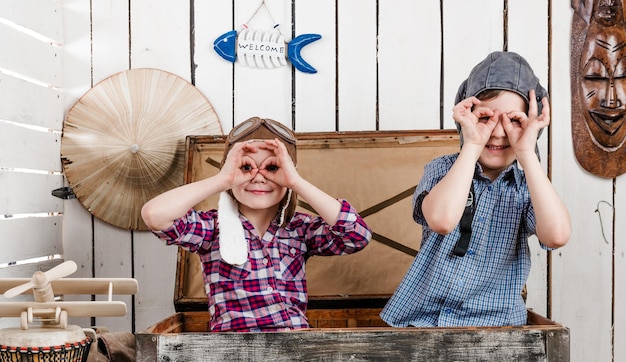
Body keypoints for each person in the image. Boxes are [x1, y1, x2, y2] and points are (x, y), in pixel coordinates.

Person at [380, 51, 571, 327]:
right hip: (423, 321)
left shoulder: (528, 186)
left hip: (498, 325)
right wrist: (471, 144)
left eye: (514, 121)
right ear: (466, 116)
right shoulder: (443, 169)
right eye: (486, 117)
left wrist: (527, 151)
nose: (497, 131)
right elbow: (442, 221)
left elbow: (557, 236)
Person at [141, 116, 372, 332]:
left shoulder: (299, 229)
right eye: (246, 167)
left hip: (296, 348)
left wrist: (296, 182)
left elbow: (357, 235)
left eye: (272, 168)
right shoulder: (212, 228)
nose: (258, 177)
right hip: (234, 351)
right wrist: (223, 179)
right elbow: (155, 215)